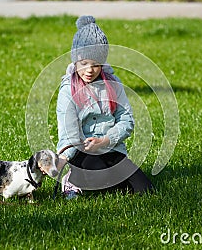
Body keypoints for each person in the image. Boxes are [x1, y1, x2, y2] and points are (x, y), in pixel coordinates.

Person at [56, 15, 153, 199]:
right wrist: (64, 157)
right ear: (75, 61)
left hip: (111, 147)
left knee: (145, 190)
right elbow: (68, 129)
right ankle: (72, 178)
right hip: (81, 150)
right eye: (84, 64)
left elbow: (126, 119)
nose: (90, 70)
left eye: (96, 64)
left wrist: (107, 140)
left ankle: (110, 176)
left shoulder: (113, 83)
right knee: (99, 180)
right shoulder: (69, 88)